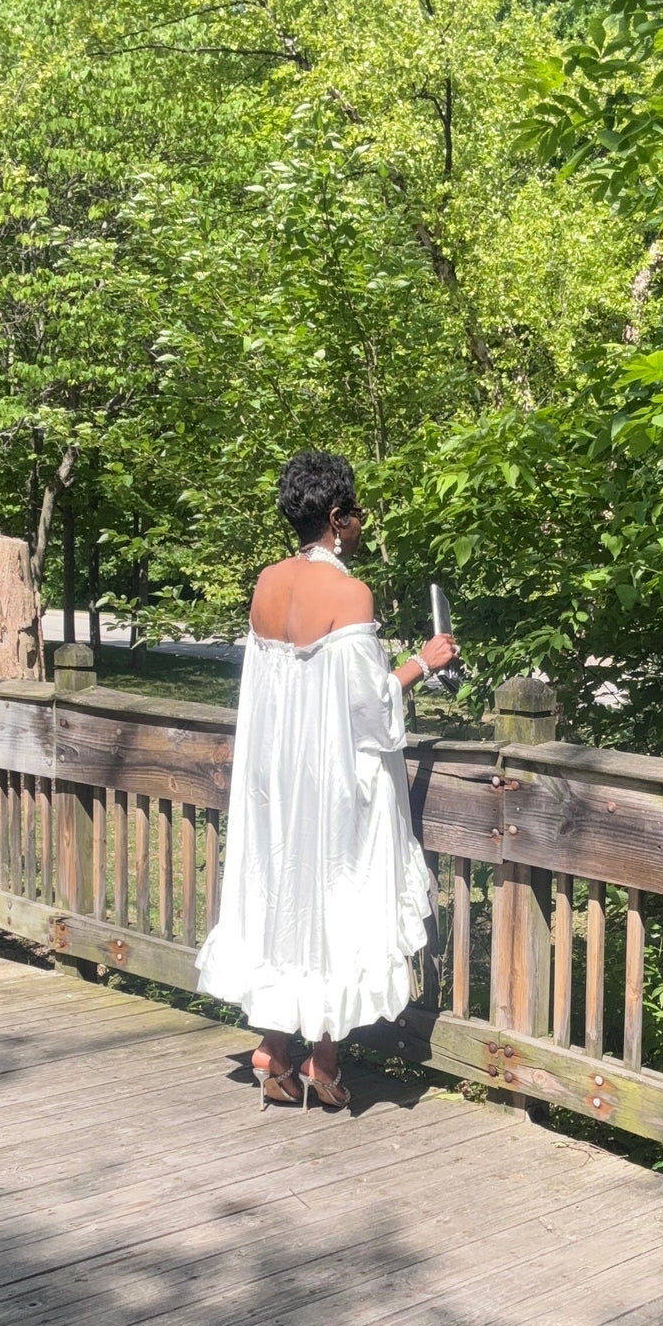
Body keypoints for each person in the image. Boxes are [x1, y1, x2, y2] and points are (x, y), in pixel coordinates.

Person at [195, 449, 458, 1112]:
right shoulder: (351, 593)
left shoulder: (266, 583)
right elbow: (367, 710)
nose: (362, 521)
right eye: (356, 511)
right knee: (337, 901)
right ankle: (324, 1060)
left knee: (284, 897)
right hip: (332, 781)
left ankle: (273, 1048)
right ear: (337, 517)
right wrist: (421, 663)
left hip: (275, 780)